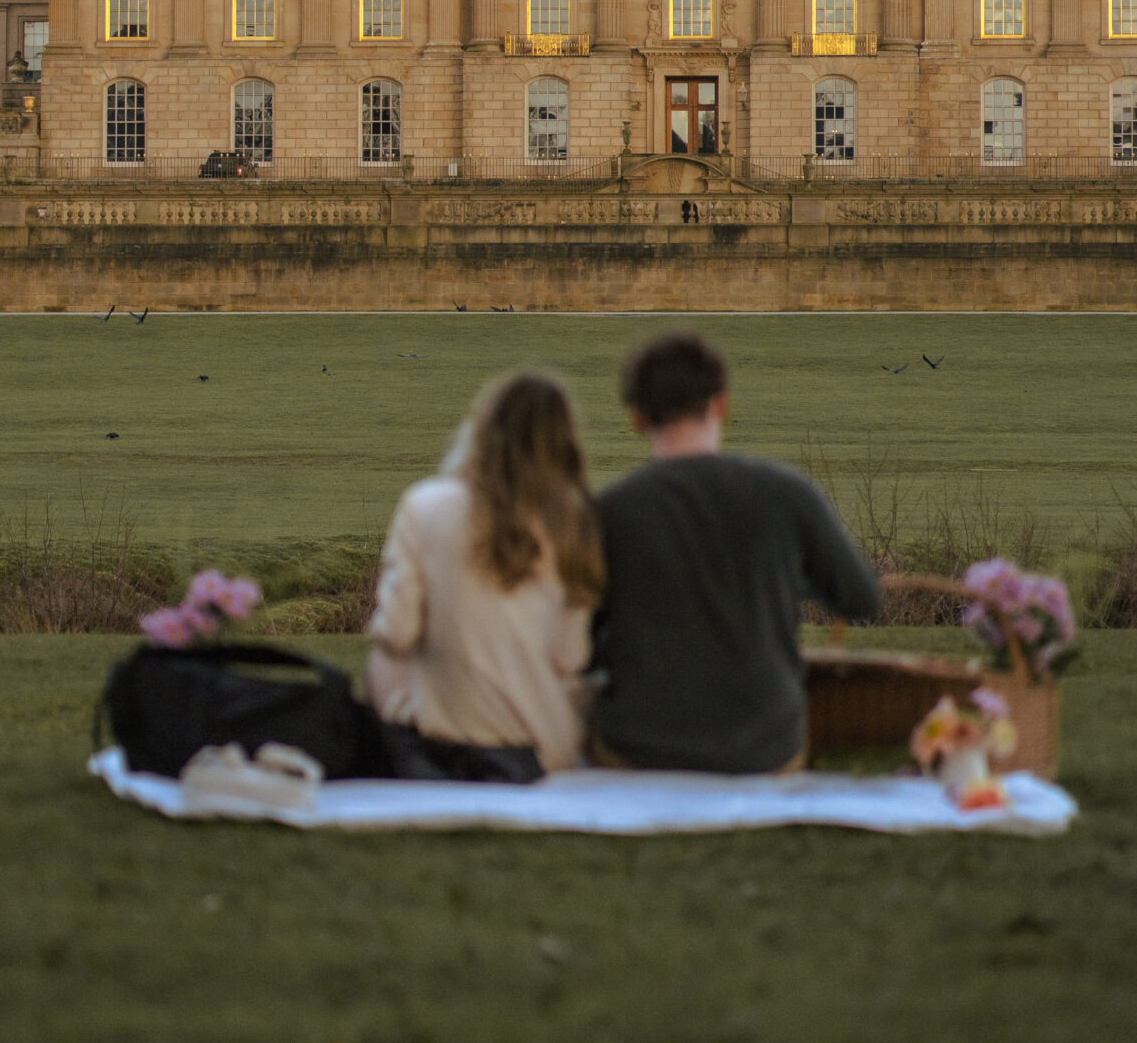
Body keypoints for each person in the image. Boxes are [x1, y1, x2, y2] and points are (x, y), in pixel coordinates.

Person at [588, 333, 879, 772]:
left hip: (638, 746)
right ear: (721, 404)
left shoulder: (610, 510)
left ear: (637, 417)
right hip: (763, 747)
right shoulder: (786, 492)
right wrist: (783, 582)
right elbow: (861, 597)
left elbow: (584, 632)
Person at [366, 372, 603, 779]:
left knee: (383, 656)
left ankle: (400, 737)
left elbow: (397, 632)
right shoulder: (572, 519)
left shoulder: (425, 506)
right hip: (545, 749)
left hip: (444, 744)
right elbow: (572, 656)